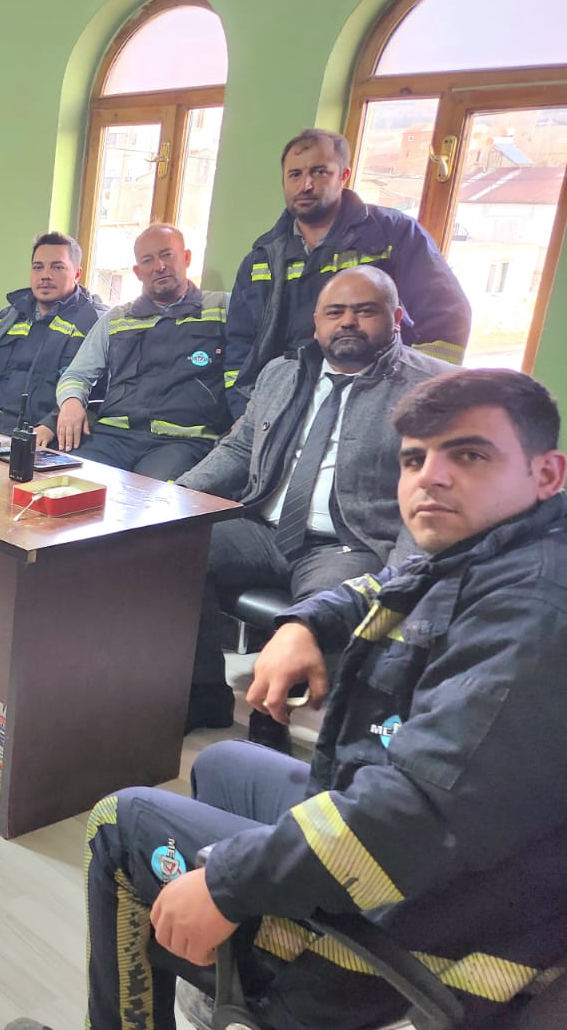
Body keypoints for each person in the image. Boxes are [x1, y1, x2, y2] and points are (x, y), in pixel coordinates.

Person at [1, 367, 567, 1030]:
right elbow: (392, 585)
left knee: (118, 823)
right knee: (226, 764)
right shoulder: (500, 551)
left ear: (546, 472)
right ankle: (233, 974)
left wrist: (228, 885)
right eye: (413, 458)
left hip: (432, 937)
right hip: (431, 866)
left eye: (469, 455)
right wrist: (305, 622)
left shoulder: (536, 611)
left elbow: (415, 814)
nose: (430, 477)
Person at [176, 266, 453, 746]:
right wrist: (171, 499)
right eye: (335, 312)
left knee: (319, 608)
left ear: (396, 318)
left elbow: (434, 491)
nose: (347, 322)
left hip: (349, 543)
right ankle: (204, 695)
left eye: (364, 311)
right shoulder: (281, 373)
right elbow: (239, 450)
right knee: (171, 552)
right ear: (316, 323)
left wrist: (404, 572)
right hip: (263, 527)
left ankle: (272, 723)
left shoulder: (432, 390)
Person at [226, 128, 470, 418]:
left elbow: (446, 318)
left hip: (375, 399)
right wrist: (245, 415)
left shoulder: (394, 235)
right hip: (284, 403)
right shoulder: (261, 258)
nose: (305, 185)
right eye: (295, 175)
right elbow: (239, 347)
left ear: (343, 176)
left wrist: (416, 396)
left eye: (319, 172)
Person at [51, 225, 231, 481]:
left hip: (182, 441)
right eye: (148, 260)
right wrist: (71, 403)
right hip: (113, 438)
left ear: (187, 257)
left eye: (167, 255)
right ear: (137, 272)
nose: (159, 266)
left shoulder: (222, 307)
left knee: (150, 498)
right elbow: (76, 375)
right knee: (63, 482)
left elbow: (251, 369)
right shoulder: (116, 319)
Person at [0, 231, 102, 439]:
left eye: (57, 267)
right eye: (38, 267)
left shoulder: (93, 323)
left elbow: (94, 392)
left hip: (41, 434)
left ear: (77, 273)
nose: (45, 275)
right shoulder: (7, 318)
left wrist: (50, 426)